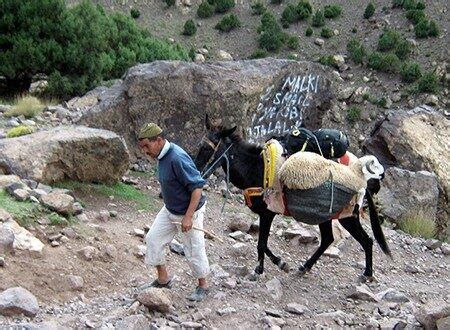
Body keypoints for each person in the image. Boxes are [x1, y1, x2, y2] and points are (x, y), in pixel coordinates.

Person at [138, 122, 210, 302]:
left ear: (159, 140)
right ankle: (163, 279)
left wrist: (188, 216)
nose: (145, 151)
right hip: (169, 210)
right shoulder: (161, 155)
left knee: (193, 249)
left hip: (188, 211)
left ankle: (203, 285)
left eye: (147, 145)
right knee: (153, 238)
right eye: (143, 147)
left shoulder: (177, 157)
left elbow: (197, 188)